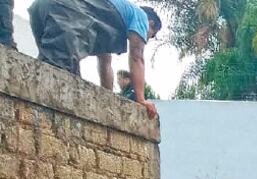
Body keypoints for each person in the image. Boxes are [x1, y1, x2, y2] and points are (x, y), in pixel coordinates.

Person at [28, 0, 160, 118]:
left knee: (51, 73)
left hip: (41, 7)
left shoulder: (109, 15)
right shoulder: (141, 16)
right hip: (64, 11)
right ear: (150, 23)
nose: (147, 39)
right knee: (57, 88)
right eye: (151, 35)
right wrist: (141, 100)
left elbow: (105, 62)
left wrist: (108, 101)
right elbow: (137, 57)